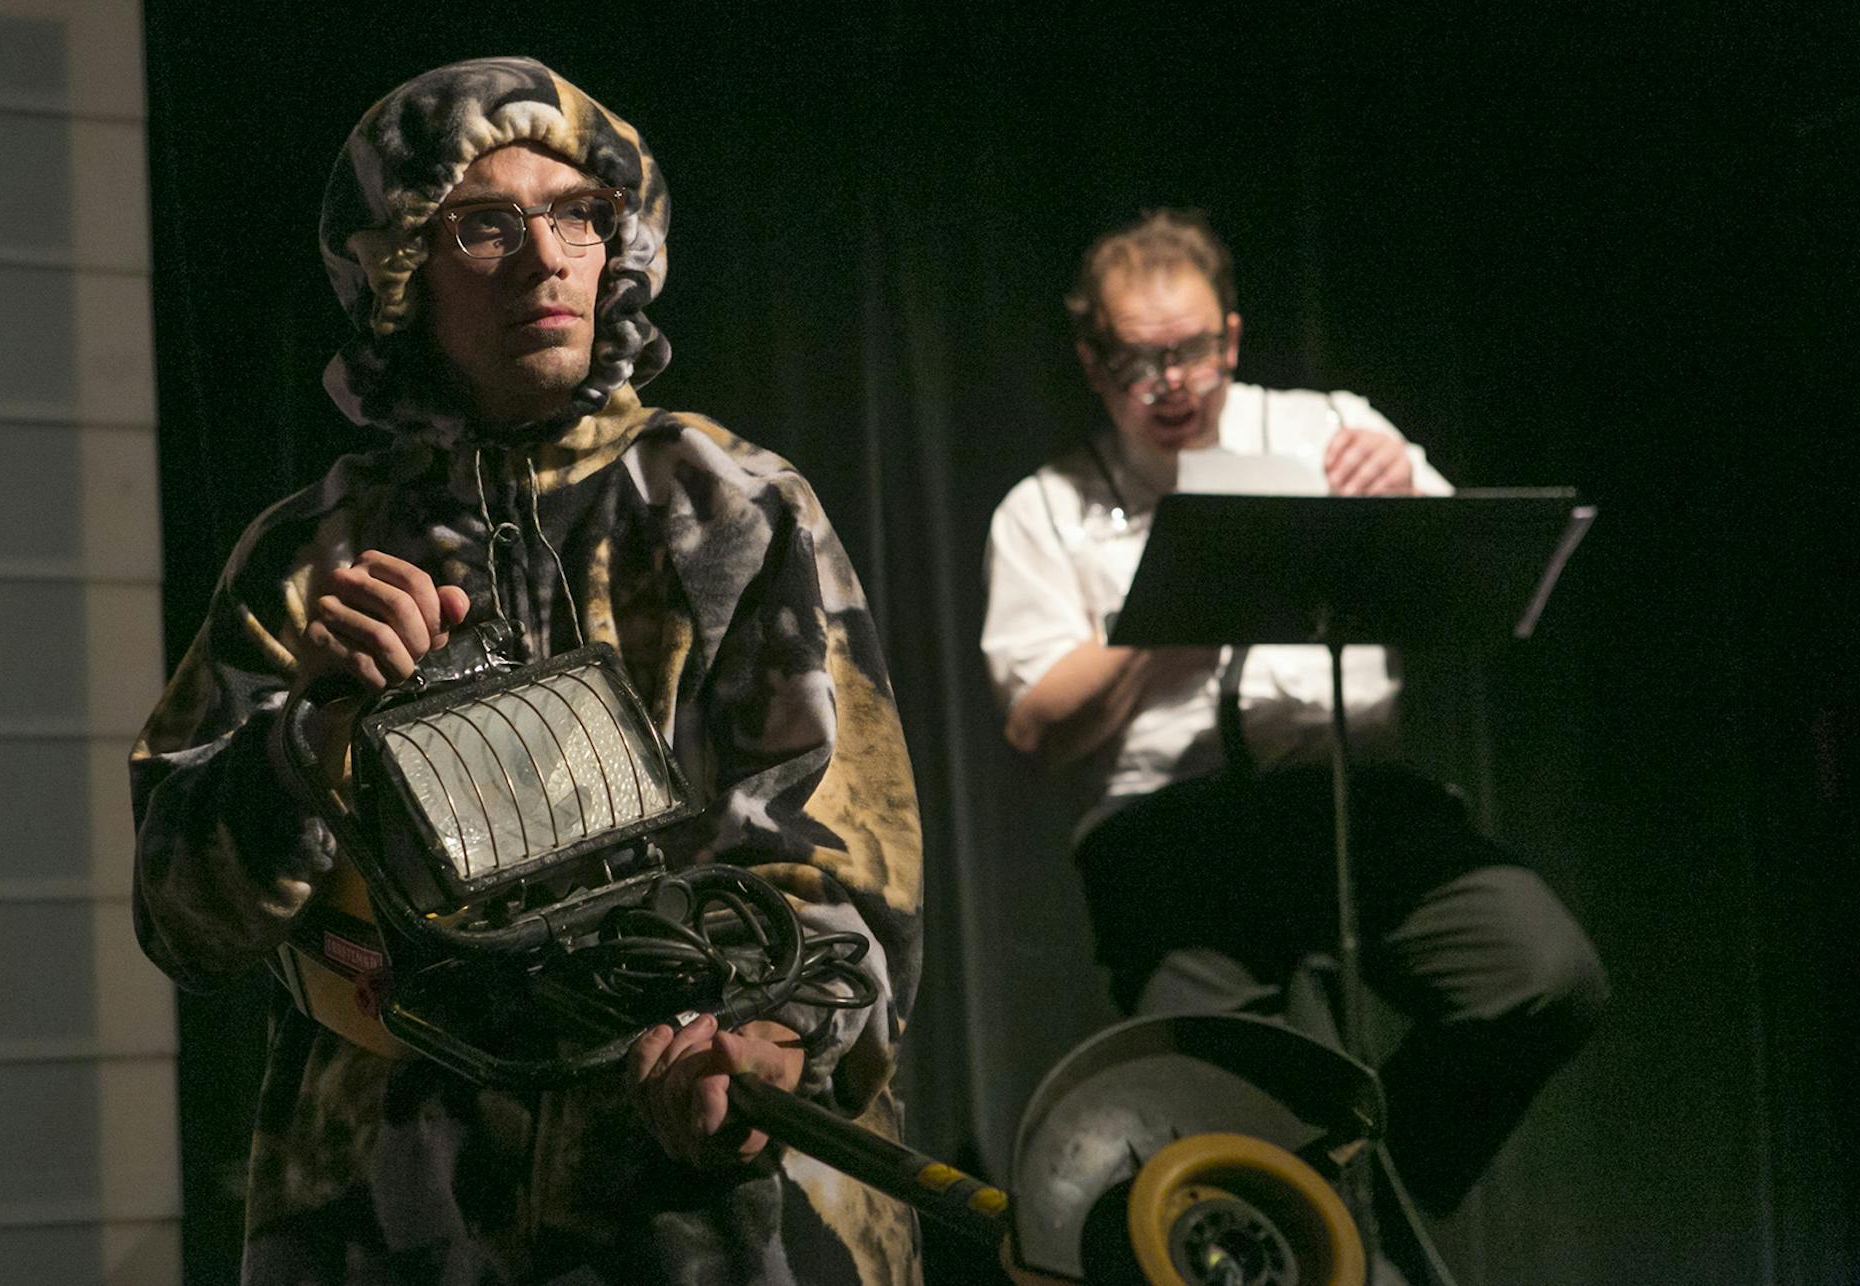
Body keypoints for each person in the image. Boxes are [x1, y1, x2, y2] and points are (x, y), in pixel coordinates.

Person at [134, 57, 923, 1285]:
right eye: (485, 223)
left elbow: (845, 858)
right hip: (389, 1222)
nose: (545, 257)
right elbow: (182, 921)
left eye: (577, 214)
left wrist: (770, 1040)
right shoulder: (306, 561)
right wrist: (307, 743)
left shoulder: (733, 511)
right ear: (400, 268)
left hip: (698, 1212)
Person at [980, 210, 1606, 1217]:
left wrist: (1402, 494)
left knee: (1546, 972)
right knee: (1238, 1098)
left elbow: (1473, 590)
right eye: (1140, 359)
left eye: (1189, 350)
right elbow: (1036, 724)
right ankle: (1307, 1211)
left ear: (1229, 337)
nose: (1171, 381)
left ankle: (1366, 1194)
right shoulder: (1045, 507)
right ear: (1093, 362)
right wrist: (1161, 626)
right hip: (1172, 832)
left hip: (1349, 796)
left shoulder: (1330, 429)